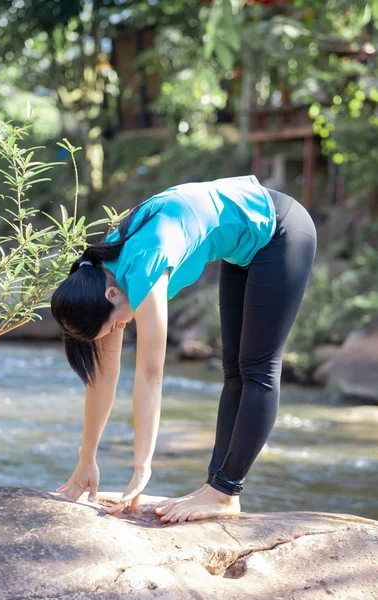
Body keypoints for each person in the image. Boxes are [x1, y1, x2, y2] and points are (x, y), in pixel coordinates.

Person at [50, 175, 317, 523]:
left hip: (281, 230)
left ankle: (224, 492)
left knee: (257, 369)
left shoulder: (146, 265)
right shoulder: (102, 276)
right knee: (233, 371)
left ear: (111, 295)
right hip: (242, 248)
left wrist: (142, 467)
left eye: (115, 324)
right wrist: (86, 460)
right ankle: (217, 488)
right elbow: (102, 377)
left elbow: (150, 376)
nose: (119, 329)